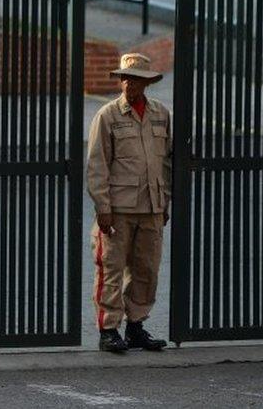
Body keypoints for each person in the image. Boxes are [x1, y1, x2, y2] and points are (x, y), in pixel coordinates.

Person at [86, 52, 171, 353]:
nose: (127, 83)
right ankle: (109, 329)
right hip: (118, 209)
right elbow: (97, 165)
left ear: (146, 82)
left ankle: (136, 326)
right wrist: (103, 207)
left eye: (133, 78)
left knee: (146, 269)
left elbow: (167, 163)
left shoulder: (160, 114)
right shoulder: (107, 115)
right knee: (110, 268)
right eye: (123, 77)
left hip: (151, 207)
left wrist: (165, 201)